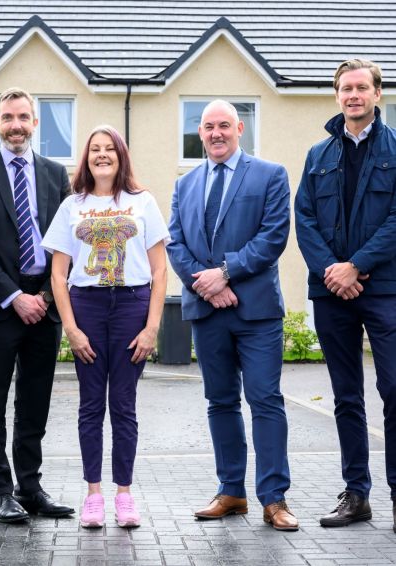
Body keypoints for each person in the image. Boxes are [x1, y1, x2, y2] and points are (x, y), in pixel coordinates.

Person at [167, 100, 298, 531]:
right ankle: (231, 492)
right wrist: (206, 285)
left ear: (240, 128)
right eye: (208, 127)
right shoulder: (184, 185)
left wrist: (224, 275)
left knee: (265, 401)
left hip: (257, 313)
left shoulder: (270, 175)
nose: (217, 133)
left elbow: (273, 236)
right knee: (220, 403)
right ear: (199, 133)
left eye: (225, 125)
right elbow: (176, 244)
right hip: (207, 313)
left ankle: (274, 499)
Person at [41, 125, 168, 528]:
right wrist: (71, 328)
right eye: (94, 149)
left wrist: (152, 328)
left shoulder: (143, 201)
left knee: (124, 406)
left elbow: (160, 270)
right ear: (86, 158)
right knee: (91, 405)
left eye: (108, 149)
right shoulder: (71, 206)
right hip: (88, 306)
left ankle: (125, 495)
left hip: (132, 305)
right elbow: (58, 275)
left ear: (120, 155)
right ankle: (93, 495)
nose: (101, 155)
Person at [0, 87, 74, 523]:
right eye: (8, 117)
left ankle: (30, 487)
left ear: (35, 122)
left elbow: (64, 241)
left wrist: (44, 296)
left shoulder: (53, 174)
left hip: (45, 306)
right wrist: (14, 296)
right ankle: (0, 492)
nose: (16, 125)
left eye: (23, 117)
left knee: (35, 401)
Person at [295, 59, 396, 530]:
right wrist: (333, 272)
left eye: (361, 88)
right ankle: (357, 495)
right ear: (337, 96)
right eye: (345, 89)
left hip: (384, 289)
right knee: (347, 397)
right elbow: (305, 219)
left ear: (377, 94)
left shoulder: (395, 150)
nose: (353, 95)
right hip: (331, 292)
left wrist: (357, 265)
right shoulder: (318, 155)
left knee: (394, 391)